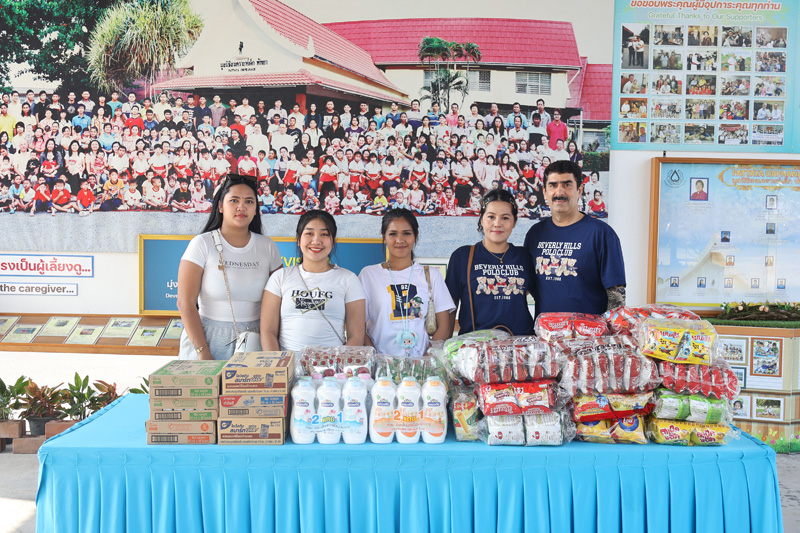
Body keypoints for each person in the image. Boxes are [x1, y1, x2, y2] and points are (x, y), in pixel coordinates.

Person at [177, 175, 283, 360]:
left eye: (249, 201)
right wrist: (203, 353)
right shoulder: (202, 244)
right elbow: (185, 303)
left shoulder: (267, 246)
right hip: (206, 339)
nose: (241, 207)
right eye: (234, 200)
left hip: (255, 342)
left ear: (256, 209)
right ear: (220, 206)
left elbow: (280, 301)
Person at [523, 160, 626, 317]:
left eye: (567, 185)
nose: (559, 192)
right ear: (544, 192)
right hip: (545, 331)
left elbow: (616, 298)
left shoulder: (602, 234)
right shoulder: (535, 234)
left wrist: (610, 329)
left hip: (590, 331)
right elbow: (529, 285)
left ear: (579, 190)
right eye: (553, 185)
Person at [261, 210, 366, 352]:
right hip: (288, 362)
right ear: (299, 240)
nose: (316, 241)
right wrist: (279, 363)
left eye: (324, 234)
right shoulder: (280, 277)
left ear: (332, 242)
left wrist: (335, 363)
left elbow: (357, 336)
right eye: (309, 233)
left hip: (332, 364)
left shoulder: (348, 279)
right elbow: (268, 332)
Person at [359, 209, 455, 358]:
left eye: (406, 233)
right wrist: (376, 359)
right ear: (384, 237)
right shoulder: (368, 275)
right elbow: (357, 326)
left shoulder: (431, 275)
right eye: (393, 234)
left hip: (422, 364)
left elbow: (444, 326)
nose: (400, 240)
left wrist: (424, 362)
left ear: (415, 236)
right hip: (381, 365)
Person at [445, 189, 535, 335]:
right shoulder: (463, 256)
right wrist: (443, 343)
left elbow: (541, 295)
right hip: (477, 344)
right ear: (481, 219)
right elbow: (449, 306)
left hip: (520, 344)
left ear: (514, 222)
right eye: (491, 217)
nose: (497, 223)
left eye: (505, 218)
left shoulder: (524, 256)